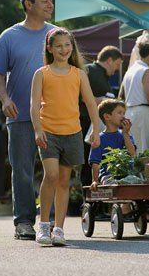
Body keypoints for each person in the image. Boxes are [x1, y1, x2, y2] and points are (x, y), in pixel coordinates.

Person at [0, 0, 55, 240]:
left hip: (54, 115)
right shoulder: (9, 36)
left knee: (57, 170)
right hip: (21, 117)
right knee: (23, 171)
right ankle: (24, 223)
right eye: (44, 0)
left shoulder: (57, 35)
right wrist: (4, 99)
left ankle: (52, 222)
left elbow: (74, 71)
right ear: (29, 4)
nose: (50, 3)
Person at [30, 27, 100, 246]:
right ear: (50, 48)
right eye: (58, 46)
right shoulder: (41, 73)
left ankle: (59, 229)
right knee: (50, 175)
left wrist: (96, 130)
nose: (63, 49)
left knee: (63, 181)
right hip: (48, 132)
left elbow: (90, 103)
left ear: (72, 47)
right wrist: (37, 129)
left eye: (67, 45)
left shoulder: (79, 74)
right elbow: (33, 105)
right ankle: (43, 225)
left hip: (72, 133)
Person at [79, 46, 124, 186]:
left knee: (96, 163)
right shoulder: (89, 70)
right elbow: (80, 96)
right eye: (117, 64)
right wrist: (102, 100)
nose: (116, 70)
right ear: (109, 60)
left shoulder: (101, 75)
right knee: (89, 163)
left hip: (96, 126)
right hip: (86, 124)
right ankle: (88, 201)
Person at [89, 99, 136, 216]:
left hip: (127, 173)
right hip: (107, 175)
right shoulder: (100, 138)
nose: (123, 116)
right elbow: (95, 162)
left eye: (124, 113)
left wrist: (125, 133)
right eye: (119, 113)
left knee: (137, 181)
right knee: (113, 183)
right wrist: (95, 180)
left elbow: (132, 153)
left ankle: (127, 207)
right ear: (107, 116)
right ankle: (123, 207)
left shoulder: (125, 135)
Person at [120, 40, 149, 153]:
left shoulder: (129, 71)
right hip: (145, 116)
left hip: (130, 113)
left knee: (134, 152)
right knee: (146, 151)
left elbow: (121, 96)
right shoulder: (147, 71)